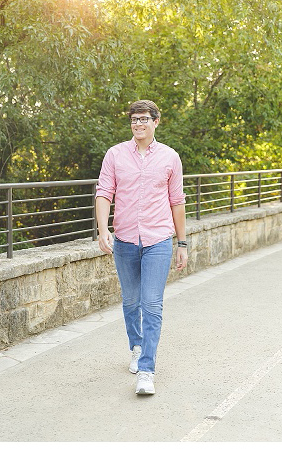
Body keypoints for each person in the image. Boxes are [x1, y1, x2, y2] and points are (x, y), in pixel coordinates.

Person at [95, 100, 187, 396]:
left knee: (152, 304)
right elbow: (103, 192)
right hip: (124, 240)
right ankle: (136, 347)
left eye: (144, 119)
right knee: (131, 301)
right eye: (134, 120)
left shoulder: (170, 157)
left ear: (156, 122)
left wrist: (182, 243)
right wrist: (102, 230)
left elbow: (177, 202)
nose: (139, 124)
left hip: (158, 239)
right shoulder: (115, 155)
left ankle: (147, 370)